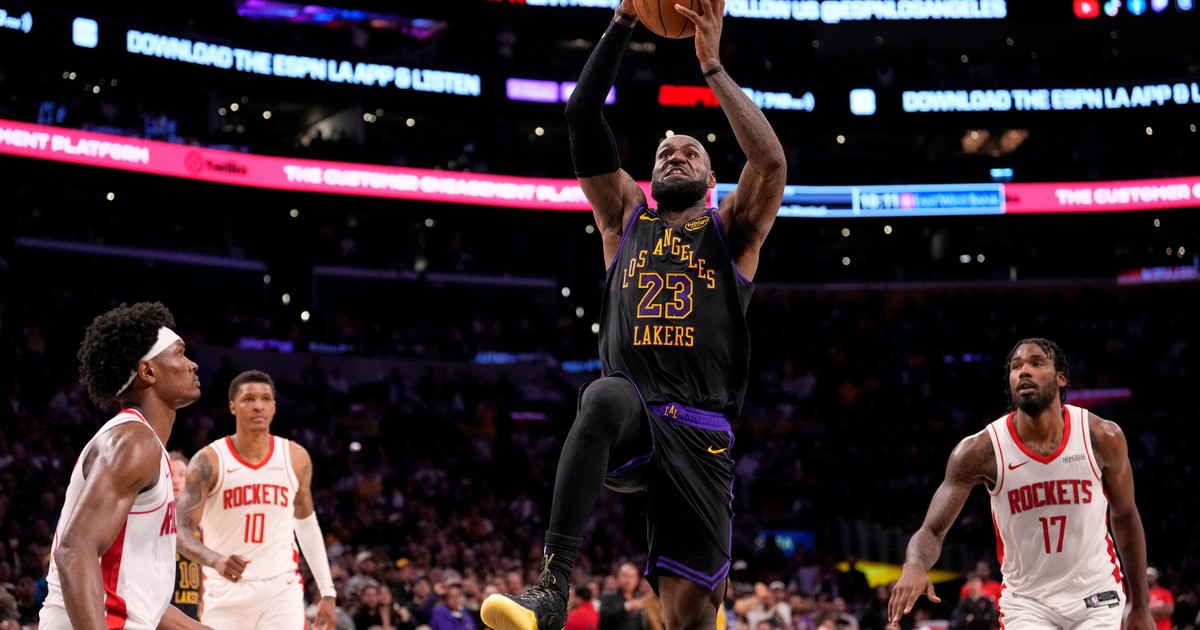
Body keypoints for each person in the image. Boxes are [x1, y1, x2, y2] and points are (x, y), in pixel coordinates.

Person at [480, 0, 786, 628]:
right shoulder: (624, 218)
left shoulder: (733, 228)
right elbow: (581, 114)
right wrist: (623, 19)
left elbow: (771, 163)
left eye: (690, 152)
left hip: (701, 428)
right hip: (636, 416)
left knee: (688, 616)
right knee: (601, 396)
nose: (675, 155)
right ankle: (552, 587)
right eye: (664, 152)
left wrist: (713, 67)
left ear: (712, 180)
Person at [888, 338, 1154, 630]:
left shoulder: (1101, 437)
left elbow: (1125, 515)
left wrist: (1141, 607)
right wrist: (914, 563)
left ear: (1061, 378)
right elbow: (932, 530)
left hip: (1096, 596)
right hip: (1027, 604)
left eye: (1036, 363)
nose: (1024, 371)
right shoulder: (981, 451)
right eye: (1016, 367)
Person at [38, 301, 211, 629]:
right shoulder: (134, 441)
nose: (193, 364)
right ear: (148, 372)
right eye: (180, 353)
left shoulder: (145, 445)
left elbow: (137, 601)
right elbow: (75, 552)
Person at [175, 369, 339, 629]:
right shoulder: (209, 461)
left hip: (280, 590)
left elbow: (306, 524)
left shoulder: (295, 458)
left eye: (265, 399)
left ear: (274, 406)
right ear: (233, 407)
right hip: (225, 592)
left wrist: (327, 592)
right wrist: (215, 559)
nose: (258, 406)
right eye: (248, 399)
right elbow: (181, 530)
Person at [169, 450, 203, 620]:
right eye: (170, 474)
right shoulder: (153, 520)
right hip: (163, 612)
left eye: (182, 475)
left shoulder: (201, 522)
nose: (176, 480)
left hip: (194, 610)